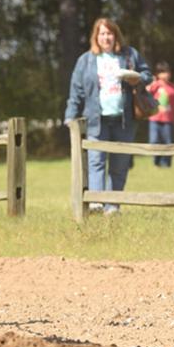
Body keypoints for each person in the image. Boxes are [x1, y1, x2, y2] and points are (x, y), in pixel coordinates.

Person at [65, 17, 153, 214]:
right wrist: (70, 117)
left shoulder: (130, 54)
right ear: (96, 37)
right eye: (102, 33)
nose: (106, 37)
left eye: (109, 33)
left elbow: (148, 75)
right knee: (96, 161)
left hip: (125, 120)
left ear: (116, 36)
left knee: (120, 164)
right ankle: (97, 202)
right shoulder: (86, 60)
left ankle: (112, 205)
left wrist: (136, 79)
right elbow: (76, 91)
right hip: (96, 120)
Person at [147, 62, 174, 167]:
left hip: (168, 119)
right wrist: (151, 83)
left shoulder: (173, 87)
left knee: (168, 142)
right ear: (158, 74)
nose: (166, 75)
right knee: (154, 141)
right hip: (155, 118)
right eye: (163, 72)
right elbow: (146, 93)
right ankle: (156, 161)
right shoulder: (155, 85)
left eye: (167, 72)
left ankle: (166, 163)